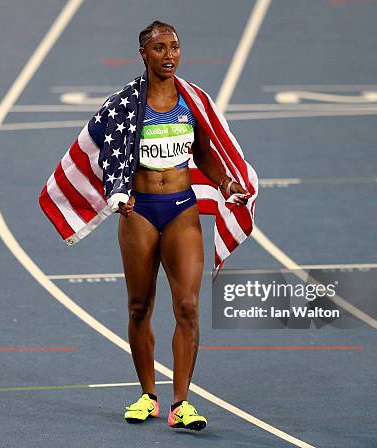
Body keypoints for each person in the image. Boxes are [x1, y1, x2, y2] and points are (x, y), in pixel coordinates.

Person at [119, 21, 249, 431]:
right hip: (139, 212)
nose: (169, 55)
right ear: (144, 54)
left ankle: (181, 404)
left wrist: (226, 182)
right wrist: (117, 192)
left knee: (189, 306)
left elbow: (206, 153)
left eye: (174, 47)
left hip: (180, 209)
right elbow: (106, 156)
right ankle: (147, 395)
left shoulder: (192, 101)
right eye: (159, 48)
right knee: (140, 306)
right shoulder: (126, 105)